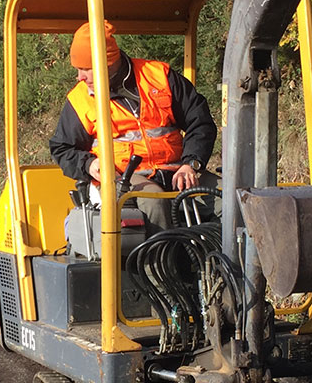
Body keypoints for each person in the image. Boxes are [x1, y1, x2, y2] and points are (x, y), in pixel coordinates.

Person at [49, 21, 217, 231]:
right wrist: (89, 165)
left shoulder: (159, 77)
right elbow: (62, 148)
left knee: (227, 197)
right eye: (78, 69)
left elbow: (200, 121)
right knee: (154, 201)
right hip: (124, 178)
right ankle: (162, 263)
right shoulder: (80, 99)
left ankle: (229, 260)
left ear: (107, 63)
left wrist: (191, 164)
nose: (80, 77)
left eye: (86, 69)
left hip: (177, 170)